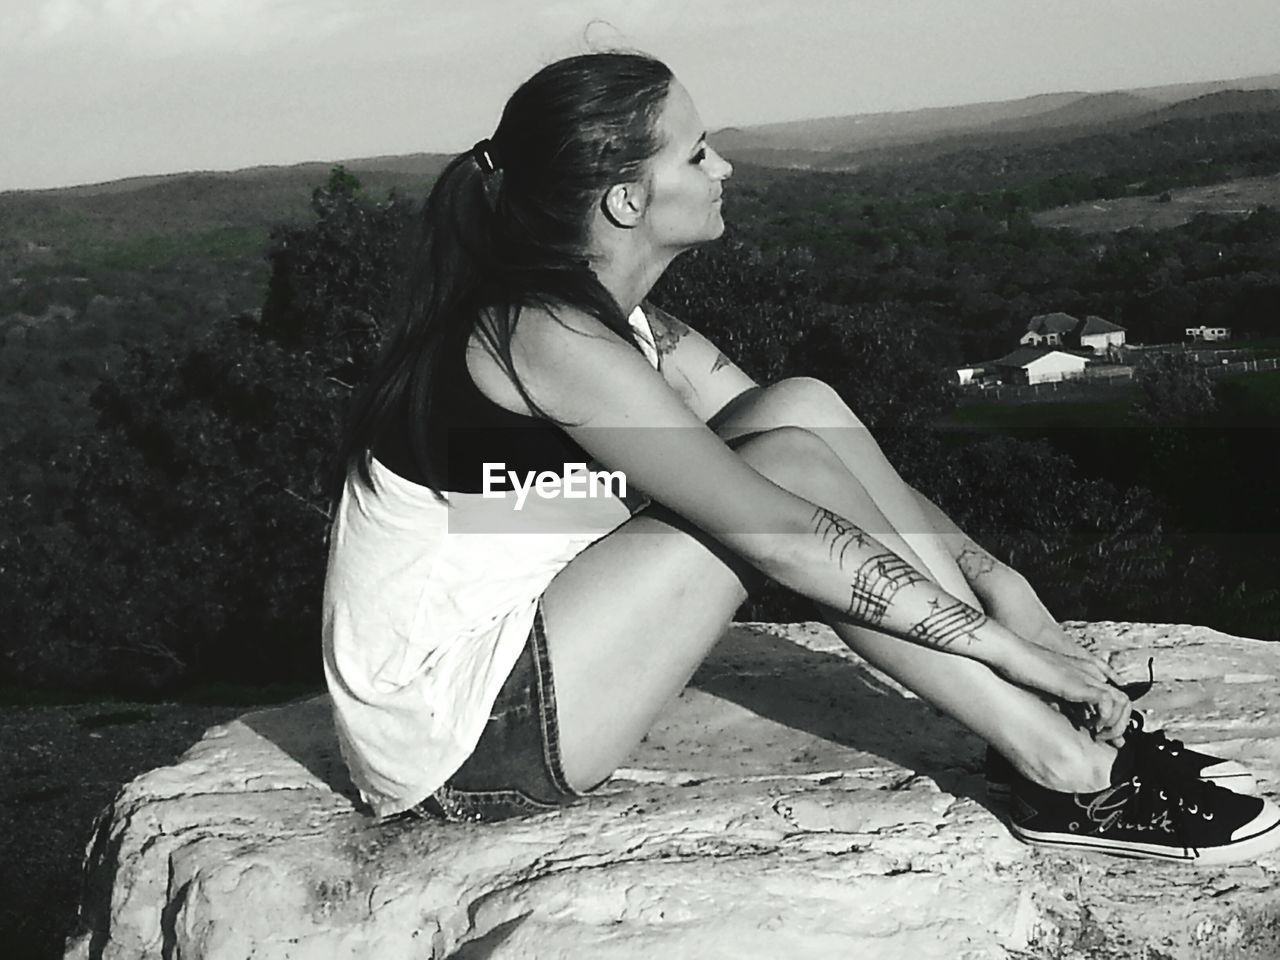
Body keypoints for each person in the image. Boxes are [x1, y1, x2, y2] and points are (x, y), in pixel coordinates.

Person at [322, 51, 1278, 864]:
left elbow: (814, 440)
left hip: (528, 671)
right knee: (777, 474)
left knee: (798, 407)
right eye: (697, 153)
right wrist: (1007, 647)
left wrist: (1003, 581)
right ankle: (1067, 772)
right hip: (466, 746)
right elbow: (778, 526)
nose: (725, 167)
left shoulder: (622, 327)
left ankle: (1020, 722)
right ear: (624, 198)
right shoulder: (542, 334)